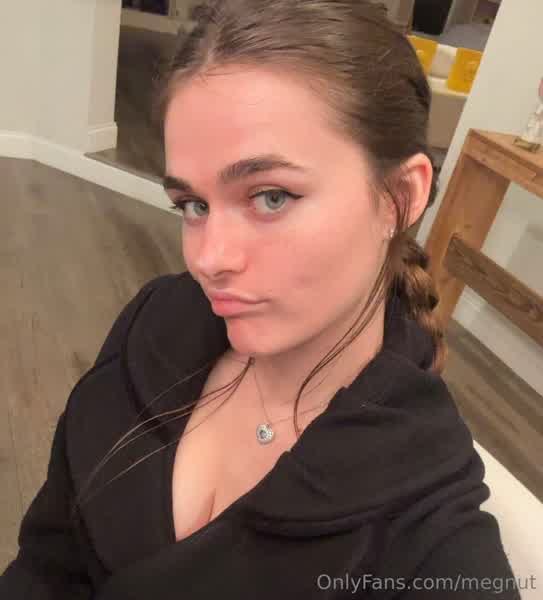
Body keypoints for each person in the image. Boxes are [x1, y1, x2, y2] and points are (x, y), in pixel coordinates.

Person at [1, 1, 521, 598]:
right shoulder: (157, 320)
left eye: (271, 196)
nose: (208, 259)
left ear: (400, 197)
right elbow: (47, 559)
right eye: (193, 205)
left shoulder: (431, 541)